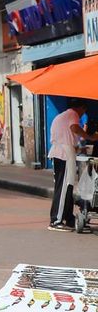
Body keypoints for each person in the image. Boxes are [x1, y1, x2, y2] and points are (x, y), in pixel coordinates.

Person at [47, 99, 98, 232]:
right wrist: (89, 137)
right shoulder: (72, 114)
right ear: (81, 108)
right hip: (63, 155)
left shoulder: (62, 115)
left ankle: (68, 217)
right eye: (84, 111)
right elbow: (74, 128)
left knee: (67, 187)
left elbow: (67, 136)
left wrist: (79, 149)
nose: (82, 115)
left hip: (62, 152)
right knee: (64, 188)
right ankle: (56, 220)